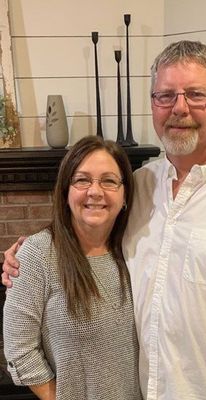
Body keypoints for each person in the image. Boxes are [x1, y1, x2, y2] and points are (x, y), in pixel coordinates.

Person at [2, 41, 206, 399]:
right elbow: (88, 232)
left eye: (196, 94)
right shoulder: (140, 187)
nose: (179, 108)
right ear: (153, 105)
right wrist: (27, 254)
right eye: (165, 96)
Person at [3, 136, 142, 400]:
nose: (95, 191)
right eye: (82, 180)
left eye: (109, 180)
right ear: (65, 191)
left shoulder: (136, 249)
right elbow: (19, 348)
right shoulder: (39, 254)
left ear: (125, 196)